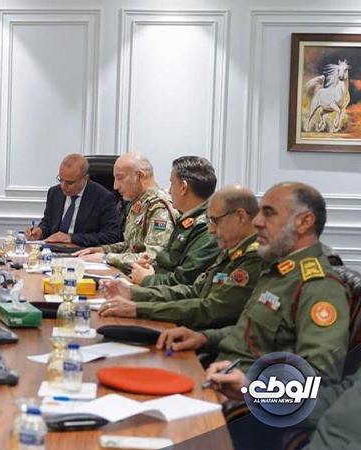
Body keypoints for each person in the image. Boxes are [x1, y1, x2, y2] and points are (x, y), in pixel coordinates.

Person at [156, 182, 351, 374]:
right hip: (220, 372)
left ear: (304, 222)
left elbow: (322, 376)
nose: (257, 221)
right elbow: (251, 333)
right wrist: (203, 337)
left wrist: (253, 386)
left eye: (268, 213)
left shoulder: (320, 286)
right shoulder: (278, 271)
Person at [99, 184, 264, 330]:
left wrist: (138, 308)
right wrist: (132, 293)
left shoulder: (254, 257)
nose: (211, 230)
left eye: (215, 221)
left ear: (240, 216)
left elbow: (211, 309)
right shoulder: (232, 248)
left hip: (210, 341)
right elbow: (193, 291)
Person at [73, 152, 177, 271]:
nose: (115, 186)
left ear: (140, 176)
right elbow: (132, 246)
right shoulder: (139, 203)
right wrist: (103, 250)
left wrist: (106, 257)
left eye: (120, 178)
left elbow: (152, 258)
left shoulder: (160, 208)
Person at [129, 156, 220, 286]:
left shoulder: (207, 228)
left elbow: (185, 280)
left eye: (172, 183)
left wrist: (148, 279)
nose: (169, 190)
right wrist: (149, 266)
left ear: (184, 188)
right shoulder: (187, 219)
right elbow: (169, 261)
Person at [24, 154, 121, 247]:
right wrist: (40, 231)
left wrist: (72, 238)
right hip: (53, 249)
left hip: (82, 251)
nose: (63, 186)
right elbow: (48, 222)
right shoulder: (54, 192)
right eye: (61, 179)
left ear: (85, 178)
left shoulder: (103, 198)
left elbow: (111, 236)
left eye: (69, 183)